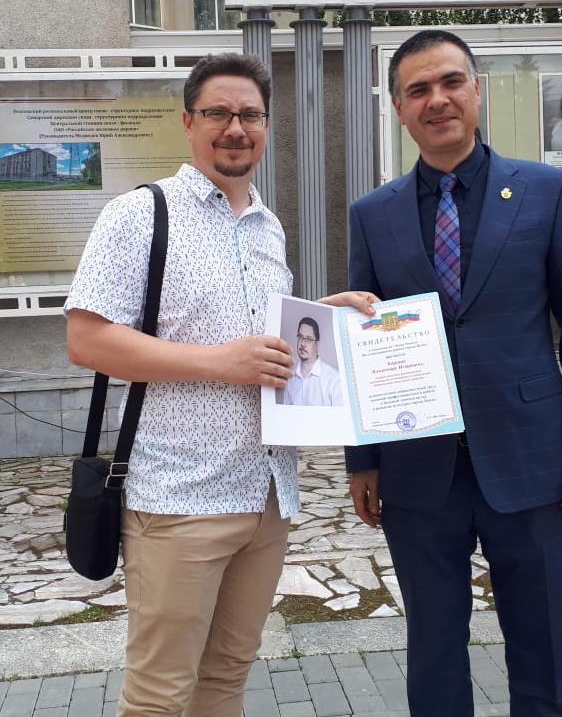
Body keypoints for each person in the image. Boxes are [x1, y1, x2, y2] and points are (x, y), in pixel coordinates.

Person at [64, 52, 375, 717]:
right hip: (179, 497)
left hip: (267, 494)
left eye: (250, 115)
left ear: (265, 125)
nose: (236, 128)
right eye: (218, 113)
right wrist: (219, 363)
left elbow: (254, 338)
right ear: (188, 122)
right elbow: (86, 339)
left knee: (227, 677)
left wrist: (328, 316)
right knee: (159, 694)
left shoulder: (268, 226)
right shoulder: (139, 214)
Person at [346, 30, 562, 717]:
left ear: (475, 89)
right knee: (433, 647)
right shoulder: (372, 215)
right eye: (418, 90)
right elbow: (363, 341)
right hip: (417, 466)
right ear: (398, 108)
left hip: (530, 458)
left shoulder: (546, 192)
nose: (437, 99)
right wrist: (363, 458)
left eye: (450, 82)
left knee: (543, 638)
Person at [283, 316, 342, 406]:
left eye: (309, 339)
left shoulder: (334, 379)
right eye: (300, 337)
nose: (302, 343)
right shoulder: (289, 378)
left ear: (317, 344)